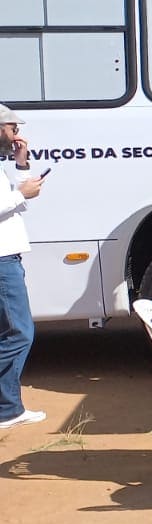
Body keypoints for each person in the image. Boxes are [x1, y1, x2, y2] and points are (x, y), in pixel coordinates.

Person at [0, 105, 47, 429]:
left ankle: (9, 408)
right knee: (19, 333)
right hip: (2, 259)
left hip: (7, 256)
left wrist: (21, 164)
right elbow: (16, 200)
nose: (18, 135)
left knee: (11, 332)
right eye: (13, 128)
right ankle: (6, 410)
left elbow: (18, 200)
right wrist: (20, 194)